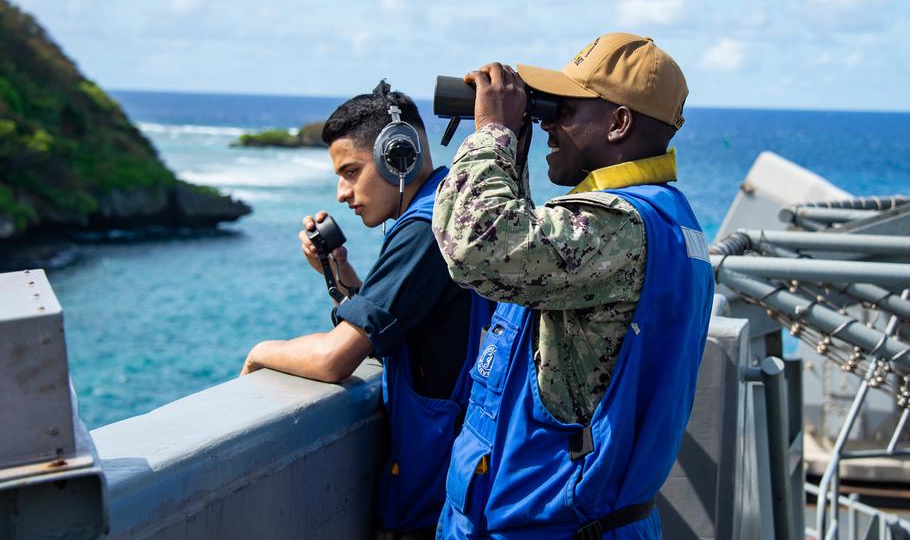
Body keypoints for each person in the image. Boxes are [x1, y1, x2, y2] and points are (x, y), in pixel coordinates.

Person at [431, 33, 715, 538]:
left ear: (619, 123)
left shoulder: (619, 228)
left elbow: (476, 246)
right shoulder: (664, 219)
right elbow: (528, 267)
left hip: (556, 525)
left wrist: (491, 132)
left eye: (563, 109)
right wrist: (513, 158)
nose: (545, 123)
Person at [240, 82, 491, 539]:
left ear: (400, 156)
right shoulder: (451, 208)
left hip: (439, 508)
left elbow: (333, 359)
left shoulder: (425, 231)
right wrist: (341, 274)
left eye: (351, 171)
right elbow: (407, 327)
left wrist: (260, 351)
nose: (342, 192)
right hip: (459, 492)